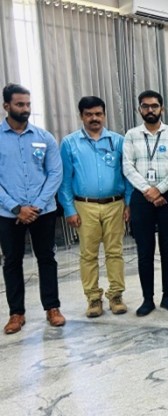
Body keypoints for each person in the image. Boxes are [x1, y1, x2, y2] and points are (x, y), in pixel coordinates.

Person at [59, 96, 133, 318]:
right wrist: (69, 209)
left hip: (115, 204)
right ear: (81, 116)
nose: (94, 118)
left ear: (104, 115)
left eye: (98, 114)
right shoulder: (70, 143)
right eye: (89, 114)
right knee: (88, 254)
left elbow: (127, 175)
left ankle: (116, 295)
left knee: (115, 252)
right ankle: (93, 298)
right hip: (85, 206)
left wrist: (128, 203)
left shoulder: (118, 141)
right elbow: (64, 180)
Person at [0, 83, 64, 334]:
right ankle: (16, 313)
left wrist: (35, 206)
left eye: (28, 104)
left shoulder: (44, 137)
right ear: (6, 106)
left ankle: (52, 308)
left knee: (46, 258)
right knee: (12, 261)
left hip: (42, 211)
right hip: (8, 213)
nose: (25, 108)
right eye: (20, 104)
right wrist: (16, 208)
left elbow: (55, 173)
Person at [123, 90, 168, 317]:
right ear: (139, 109)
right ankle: (147, 299)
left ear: (162, 109)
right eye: (145, 106)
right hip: (141, 198)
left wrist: (159, 189)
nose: (150, 110)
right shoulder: (131, 135)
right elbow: (127, 167)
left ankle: (167, 296)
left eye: (154, 106)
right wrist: (148, 190)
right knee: (145, 250)